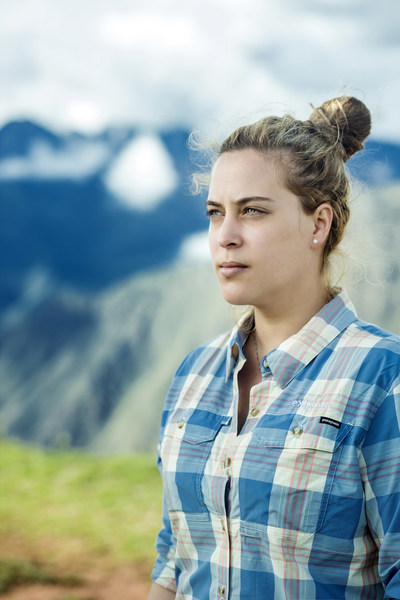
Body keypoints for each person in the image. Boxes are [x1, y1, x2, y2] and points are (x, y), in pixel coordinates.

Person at [147, 97, 400, 599]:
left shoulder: (382, 378)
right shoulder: (193, 374)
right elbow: (175, 559)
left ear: (318, 224)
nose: (226, 237)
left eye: (253, 212)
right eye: (215, 213)